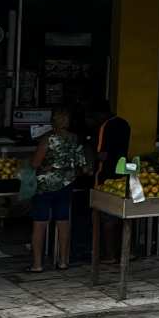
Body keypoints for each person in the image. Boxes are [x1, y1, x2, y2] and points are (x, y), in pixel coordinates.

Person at [28, 110, 89, 272]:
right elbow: (82, 164)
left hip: (45, 186)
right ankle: (63, 261)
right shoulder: (74, 139)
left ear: (53, 122)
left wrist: (44, 166)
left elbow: (35, 164)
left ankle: (37, 264)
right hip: (66, 185)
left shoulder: (48, 139)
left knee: (40, 223)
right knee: (63, 221)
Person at [91, 100, 131, 264]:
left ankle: (109, 254)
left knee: (107, 215)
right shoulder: (125, 123)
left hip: (107, 175)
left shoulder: (106, 126)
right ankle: (128, 251)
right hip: (123, 173)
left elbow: (102, 154)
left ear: (100, 114)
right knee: (124, 214)